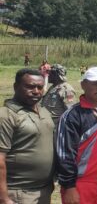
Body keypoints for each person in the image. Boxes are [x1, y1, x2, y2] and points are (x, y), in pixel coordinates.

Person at [56, 67, 97, 204]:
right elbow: (64, 154)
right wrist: (69, 187)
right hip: (79, 183)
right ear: (83, 85)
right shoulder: (72, 116)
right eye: (95, 83)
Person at [0, 69, 54, 204]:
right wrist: (4, 197)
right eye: (30, 86)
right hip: (18, 193)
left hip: (43, 191)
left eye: (40, 87)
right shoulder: (6, 115)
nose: (36, 91)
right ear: (15, 87)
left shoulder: (44, 111)